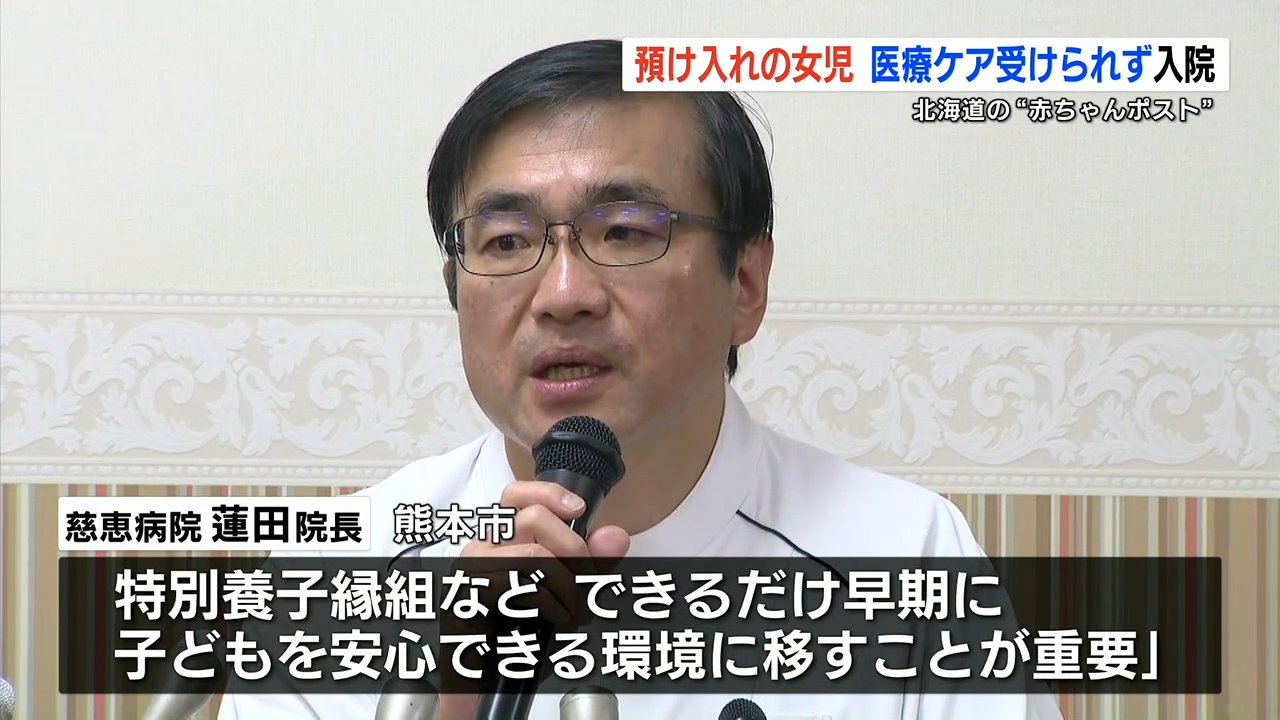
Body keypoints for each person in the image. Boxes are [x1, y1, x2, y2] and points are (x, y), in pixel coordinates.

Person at [218, 39, 1062, 720]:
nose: (563, 295)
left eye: (624, 231)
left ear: (745, 284)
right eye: (506, 242)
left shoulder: (907, 556)